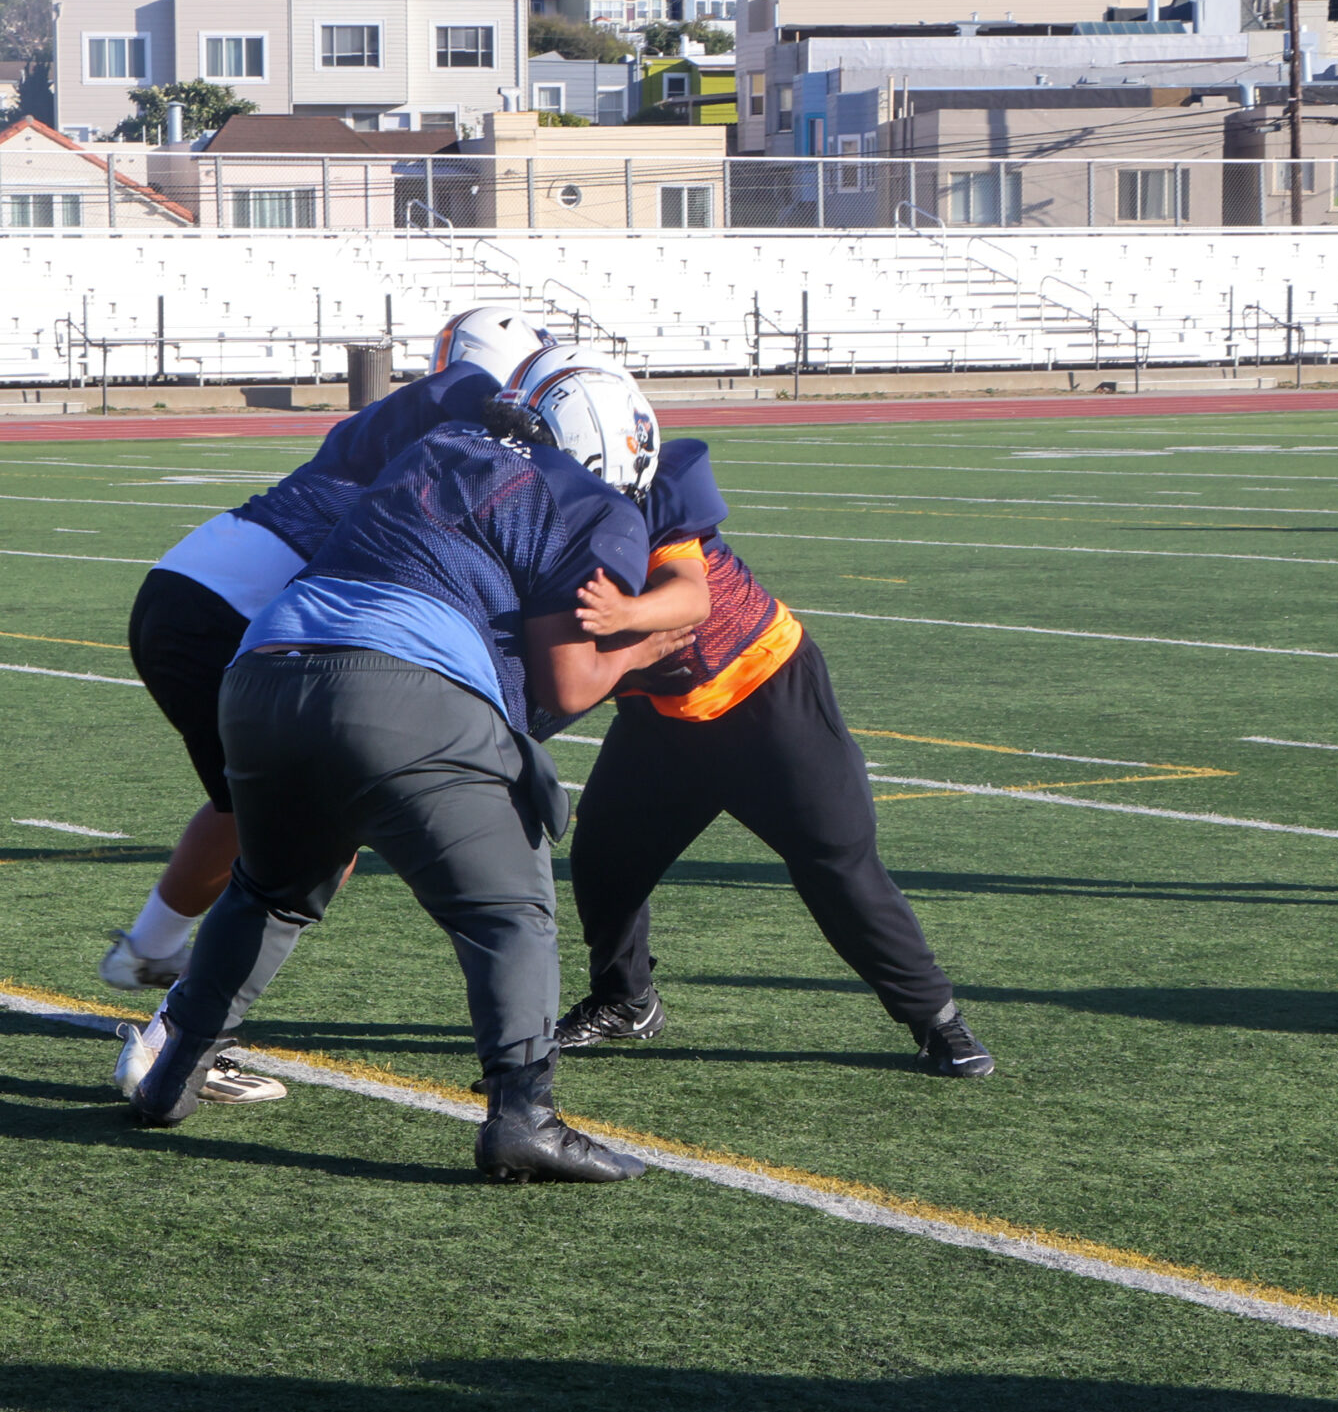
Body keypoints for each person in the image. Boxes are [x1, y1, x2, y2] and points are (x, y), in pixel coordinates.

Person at [130, 359, 689, 1182]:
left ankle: (170, 1073)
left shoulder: (435, 448)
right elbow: (562, 685)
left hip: (261, 675)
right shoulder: (593, 500)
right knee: (510, 909)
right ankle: (522, 1117)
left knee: (269, 889)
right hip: (398, 688)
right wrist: (650, 643)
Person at [105, 307, 556, 1106]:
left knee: (256, 813)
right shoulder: (471, 392)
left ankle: (151, 950)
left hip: (196, 585)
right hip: (244, 609)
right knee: (310, 842)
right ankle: (173, 1034)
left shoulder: (412, 409)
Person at [546, 424, 996, 1076]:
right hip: (663, 713)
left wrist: (622, 618)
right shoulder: (535, 511)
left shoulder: (653, 487)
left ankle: (936, 1019)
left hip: (764, 693)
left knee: (837, 861)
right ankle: (627, 999)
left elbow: (690, 596)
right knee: (605, 859)